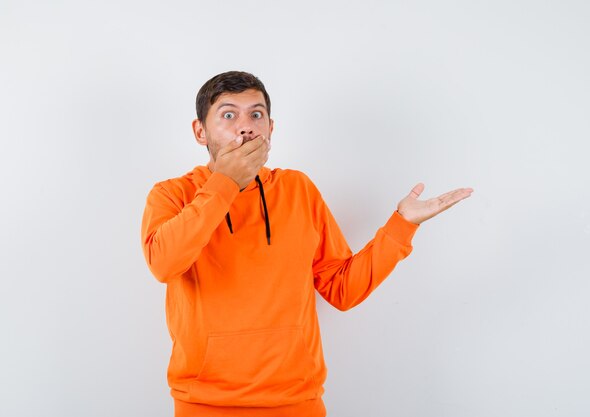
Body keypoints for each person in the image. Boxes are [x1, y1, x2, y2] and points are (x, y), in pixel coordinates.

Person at [140, 71, 473, 417]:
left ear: (271, 128)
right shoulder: (171, 195)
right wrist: (224, 182)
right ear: (200, 132)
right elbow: (164, 263)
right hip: (203, 405)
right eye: (228, 115)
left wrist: (402, 225)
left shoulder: (298, 190)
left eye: (256, 114)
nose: (245, 127)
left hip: (297, 403)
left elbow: (342, 288)